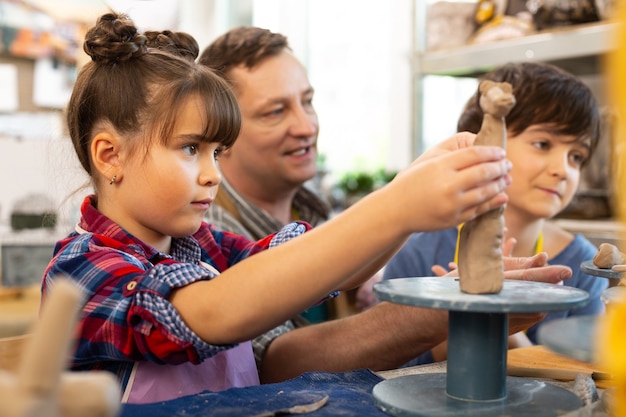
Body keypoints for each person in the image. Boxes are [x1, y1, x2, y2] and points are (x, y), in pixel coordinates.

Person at [43, 14, 569, 404]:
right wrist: (397, 207)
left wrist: (409, 188)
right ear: (109, 155)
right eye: (190, 149)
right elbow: (213, 312)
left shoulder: (198, 246)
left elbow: (301, 270)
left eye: (217, 153)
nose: (212, 173)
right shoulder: (83, 270)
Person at [196, 27, 573, 381]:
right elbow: (272, 364)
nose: (307, 126)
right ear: (221, 130)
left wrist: (410, 186)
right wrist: (437, 311)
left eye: (307, 102)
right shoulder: (201, 234)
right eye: (274, 112)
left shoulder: (314, 212)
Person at [380, 61, 609, 365]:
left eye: (576, 156)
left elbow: (582, 383)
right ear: (480, 141)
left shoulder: (585, 270)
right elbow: (389, 369)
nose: (562, 169)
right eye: (542, 144)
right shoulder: (417, 253)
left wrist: (499, 318)